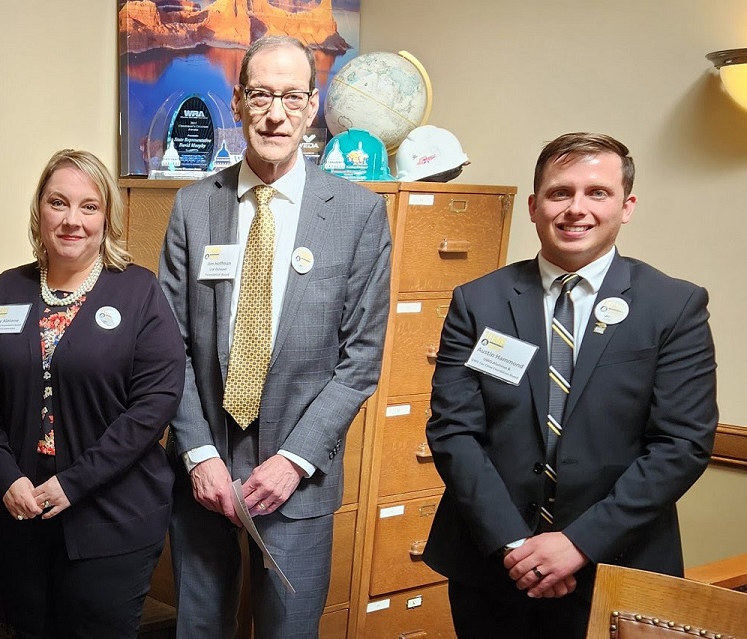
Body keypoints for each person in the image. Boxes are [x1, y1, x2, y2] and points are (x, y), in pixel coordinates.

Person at [424, 132, 717, 639]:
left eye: (596, 193)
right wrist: (515, 545)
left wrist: (578, 543)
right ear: (535, 206)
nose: (576, 209)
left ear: (626, 206)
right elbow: (453, 432)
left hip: (617, 567)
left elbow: (682, 445)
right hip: (493, 567)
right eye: (560, 193)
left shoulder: (673, 307)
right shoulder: (480, 302)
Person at [157, 35, 392, 639]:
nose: (275, 112)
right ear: (237, 103)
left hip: (298, 484)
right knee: (200, 629)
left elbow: (360, 360)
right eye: (260, 94)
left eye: (291, 97)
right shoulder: (192, 209)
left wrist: (292, 462)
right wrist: (200, 455)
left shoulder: (357, 214)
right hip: (202, 480)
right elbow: (170, 349)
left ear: (311, 108)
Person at [0, 149, 185, 638]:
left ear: (108, 217)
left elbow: (155, 405)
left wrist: (76, 482)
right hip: (18, 514)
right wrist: (4, 475)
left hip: (112, 517)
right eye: (58, 203)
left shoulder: (139, 293)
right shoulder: (6, 290)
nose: (71, 220)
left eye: (89, 206)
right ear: (39, 212)